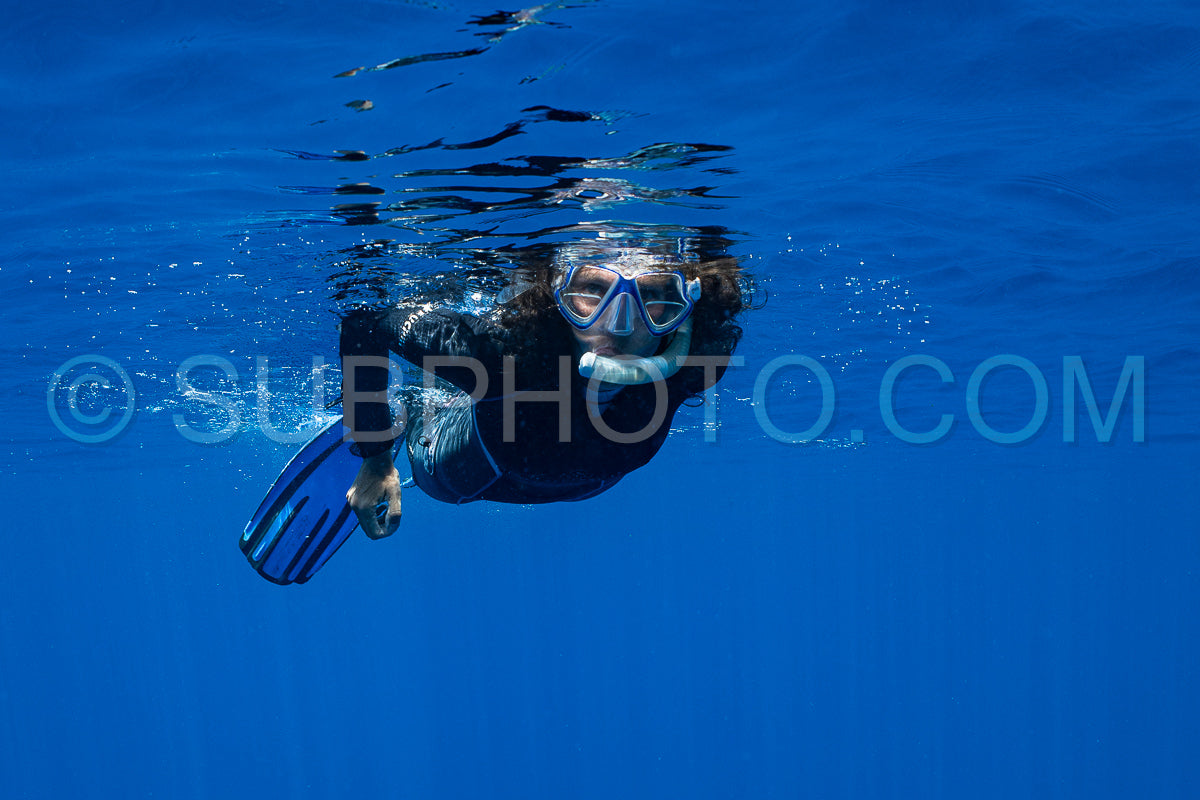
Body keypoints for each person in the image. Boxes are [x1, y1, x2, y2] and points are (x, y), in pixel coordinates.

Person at [338, 235, 747, 539]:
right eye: (592, 291)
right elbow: (364, 322)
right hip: (458, 474)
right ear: (556, 296)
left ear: (687, 309)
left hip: (584, 484)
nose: (620, 325)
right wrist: (375, 457)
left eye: (654, 294)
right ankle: (411, 406)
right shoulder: (495, 354)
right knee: (440, 403)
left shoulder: (697, 361)